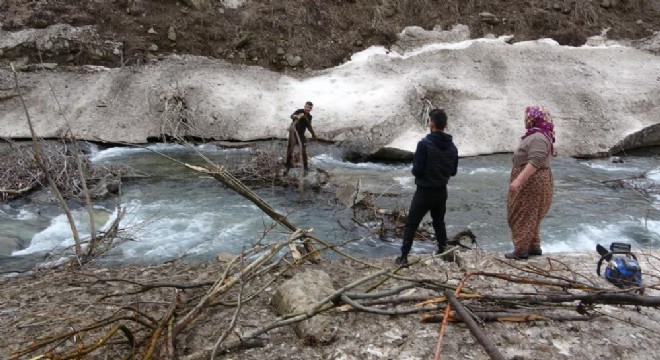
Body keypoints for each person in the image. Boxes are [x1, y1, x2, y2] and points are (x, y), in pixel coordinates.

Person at [396, 109, 458, 265]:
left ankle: (403, 257)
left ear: (432, 123)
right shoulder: (453, 148)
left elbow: (417, 170)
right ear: (445, 125)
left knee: (412, 224)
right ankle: (442, 251)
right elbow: (453, 172)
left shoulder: (424, 144)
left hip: (424, 192)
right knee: (439, 222)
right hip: (441, 191)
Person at [505, 105, 555, 260]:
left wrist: (518, 181)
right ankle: (533, 246)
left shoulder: (538, 137)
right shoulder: (538, 135)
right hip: (535, 181)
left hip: (532, 182)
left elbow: (535, 161)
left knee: (523, 213)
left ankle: (521, 250)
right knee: (531, 214)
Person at [285, 101, 317, 176]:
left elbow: (309, 126)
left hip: (301, 134)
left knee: (303, 150)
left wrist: (313, 134)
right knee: (290, 148)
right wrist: (298, 116)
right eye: (307, 107)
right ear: (304, 106)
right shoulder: (299, 111)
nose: (308, 108)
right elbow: (292, 116)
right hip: (293, 133)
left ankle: (305, 167)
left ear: (311, 109)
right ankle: (288, 165)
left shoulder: (309, 116)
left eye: (310, 108)